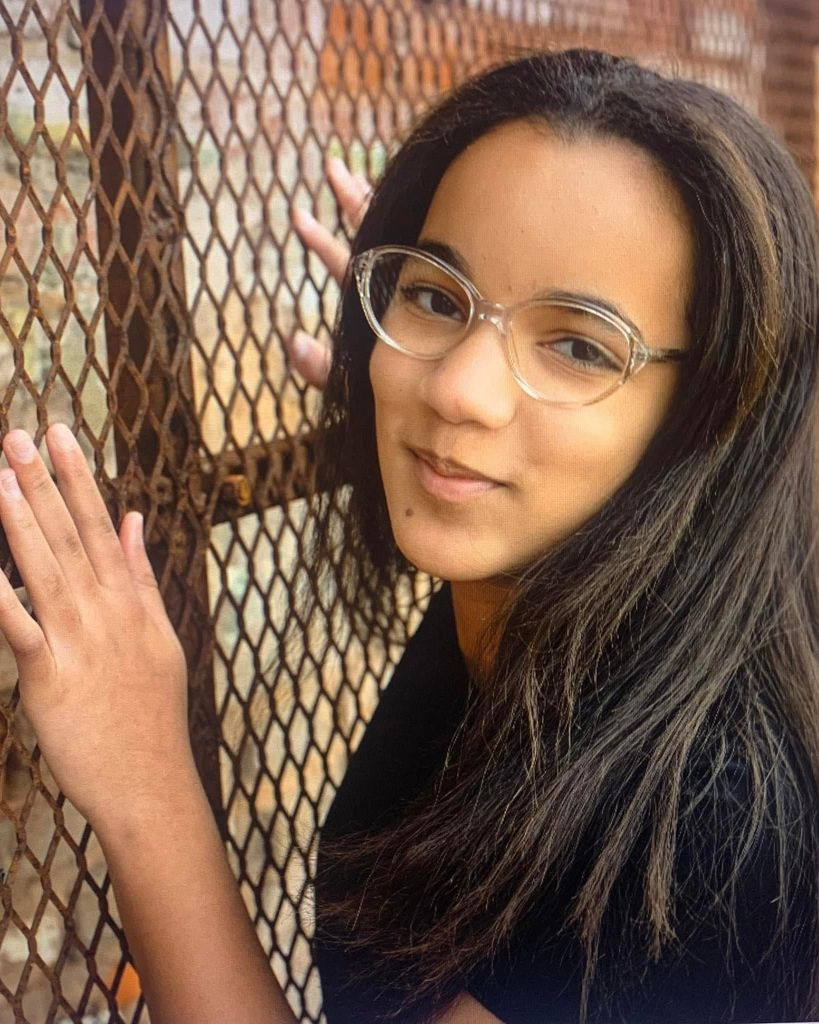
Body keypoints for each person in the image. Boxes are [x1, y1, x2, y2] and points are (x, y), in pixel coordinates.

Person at [0, 46, 816, 1024]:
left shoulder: (707, 835)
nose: (458, 388)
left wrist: (148, 791)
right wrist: (407, 355)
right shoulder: (547, 587)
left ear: (710, 414)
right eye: (432, 295)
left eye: (577, 344)